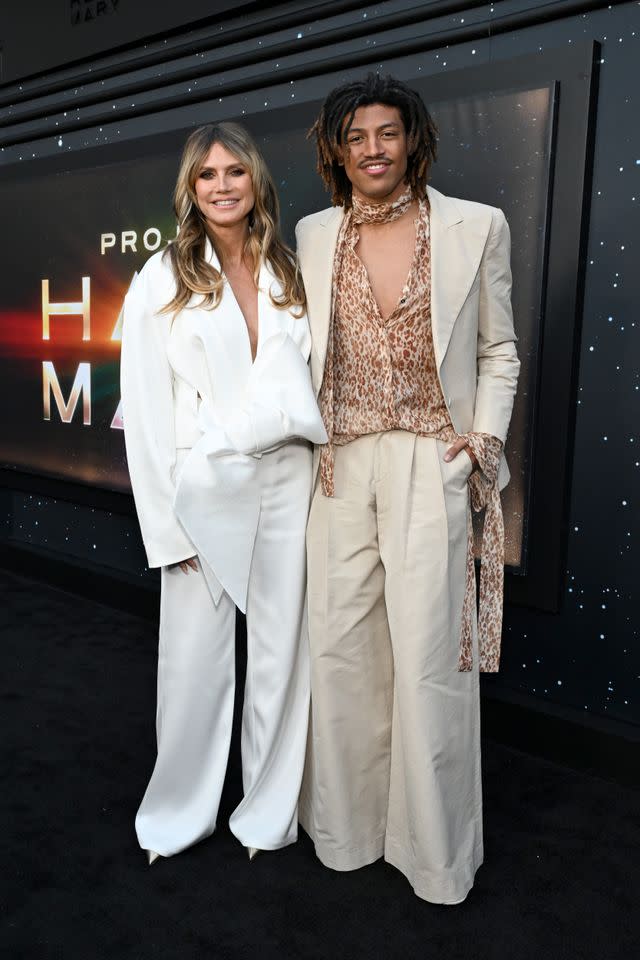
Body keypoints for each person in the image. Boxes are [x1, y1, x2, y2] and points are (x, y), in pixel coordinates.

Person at [295, 73, 520, 904]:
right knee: (342, 652)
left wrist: (481, 444)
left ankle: (433, 858)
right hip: (338, 463)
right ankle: (348, 836)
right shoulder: (314, 234)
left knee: (431, 661)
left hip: (432, 457)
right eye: (355, 138)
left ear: (414, 139)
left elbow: (501, 349)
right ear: (336, 150)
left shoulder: (475, 226)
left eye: (386, 133)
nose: (371, 150)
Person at [120, 121, 327, 865]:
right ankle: (179, 814)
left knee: (281, 658)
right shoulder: (160, 277)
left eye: (234, 171)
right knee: (195, 665)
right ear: (190, 188)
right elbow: (144, 416)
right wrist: (165, 533)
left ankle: (267, 814)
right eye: (206, 175)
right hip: (201, 493)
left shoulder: (289, 270)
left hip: (286, 480)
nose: (222, 186)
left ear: (255, 180)